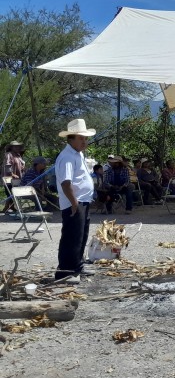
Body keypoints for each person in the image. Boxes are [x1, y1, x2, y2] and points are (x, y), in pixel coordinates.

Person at [54, 119, 97, 280]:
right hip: (75, 202)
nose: (84, 142)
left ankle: (77, 265)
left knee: (81, 235)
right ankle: (65, 271)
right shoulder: (66, 157)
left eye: (85, 139)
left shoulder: (77, 154)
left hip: (82, 201)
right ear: (71, 139)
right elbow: (66, 183)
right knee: (71, 237)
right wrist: (74, 203)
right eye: (81, 138)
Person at [3, 140, 25, 213]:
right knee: (10, 192)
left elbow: (21, 165)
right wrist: (12, 174)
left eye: (18, 146)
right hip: (9, 177)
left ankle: (11, 206)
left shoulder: (18, 155)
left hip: (18, 177)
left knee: (14, 192)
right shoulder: (9, 154)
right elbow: (8, 165)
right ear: (12, 147)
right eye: (15, 146)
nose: (17, 148)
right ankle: (6, 207)